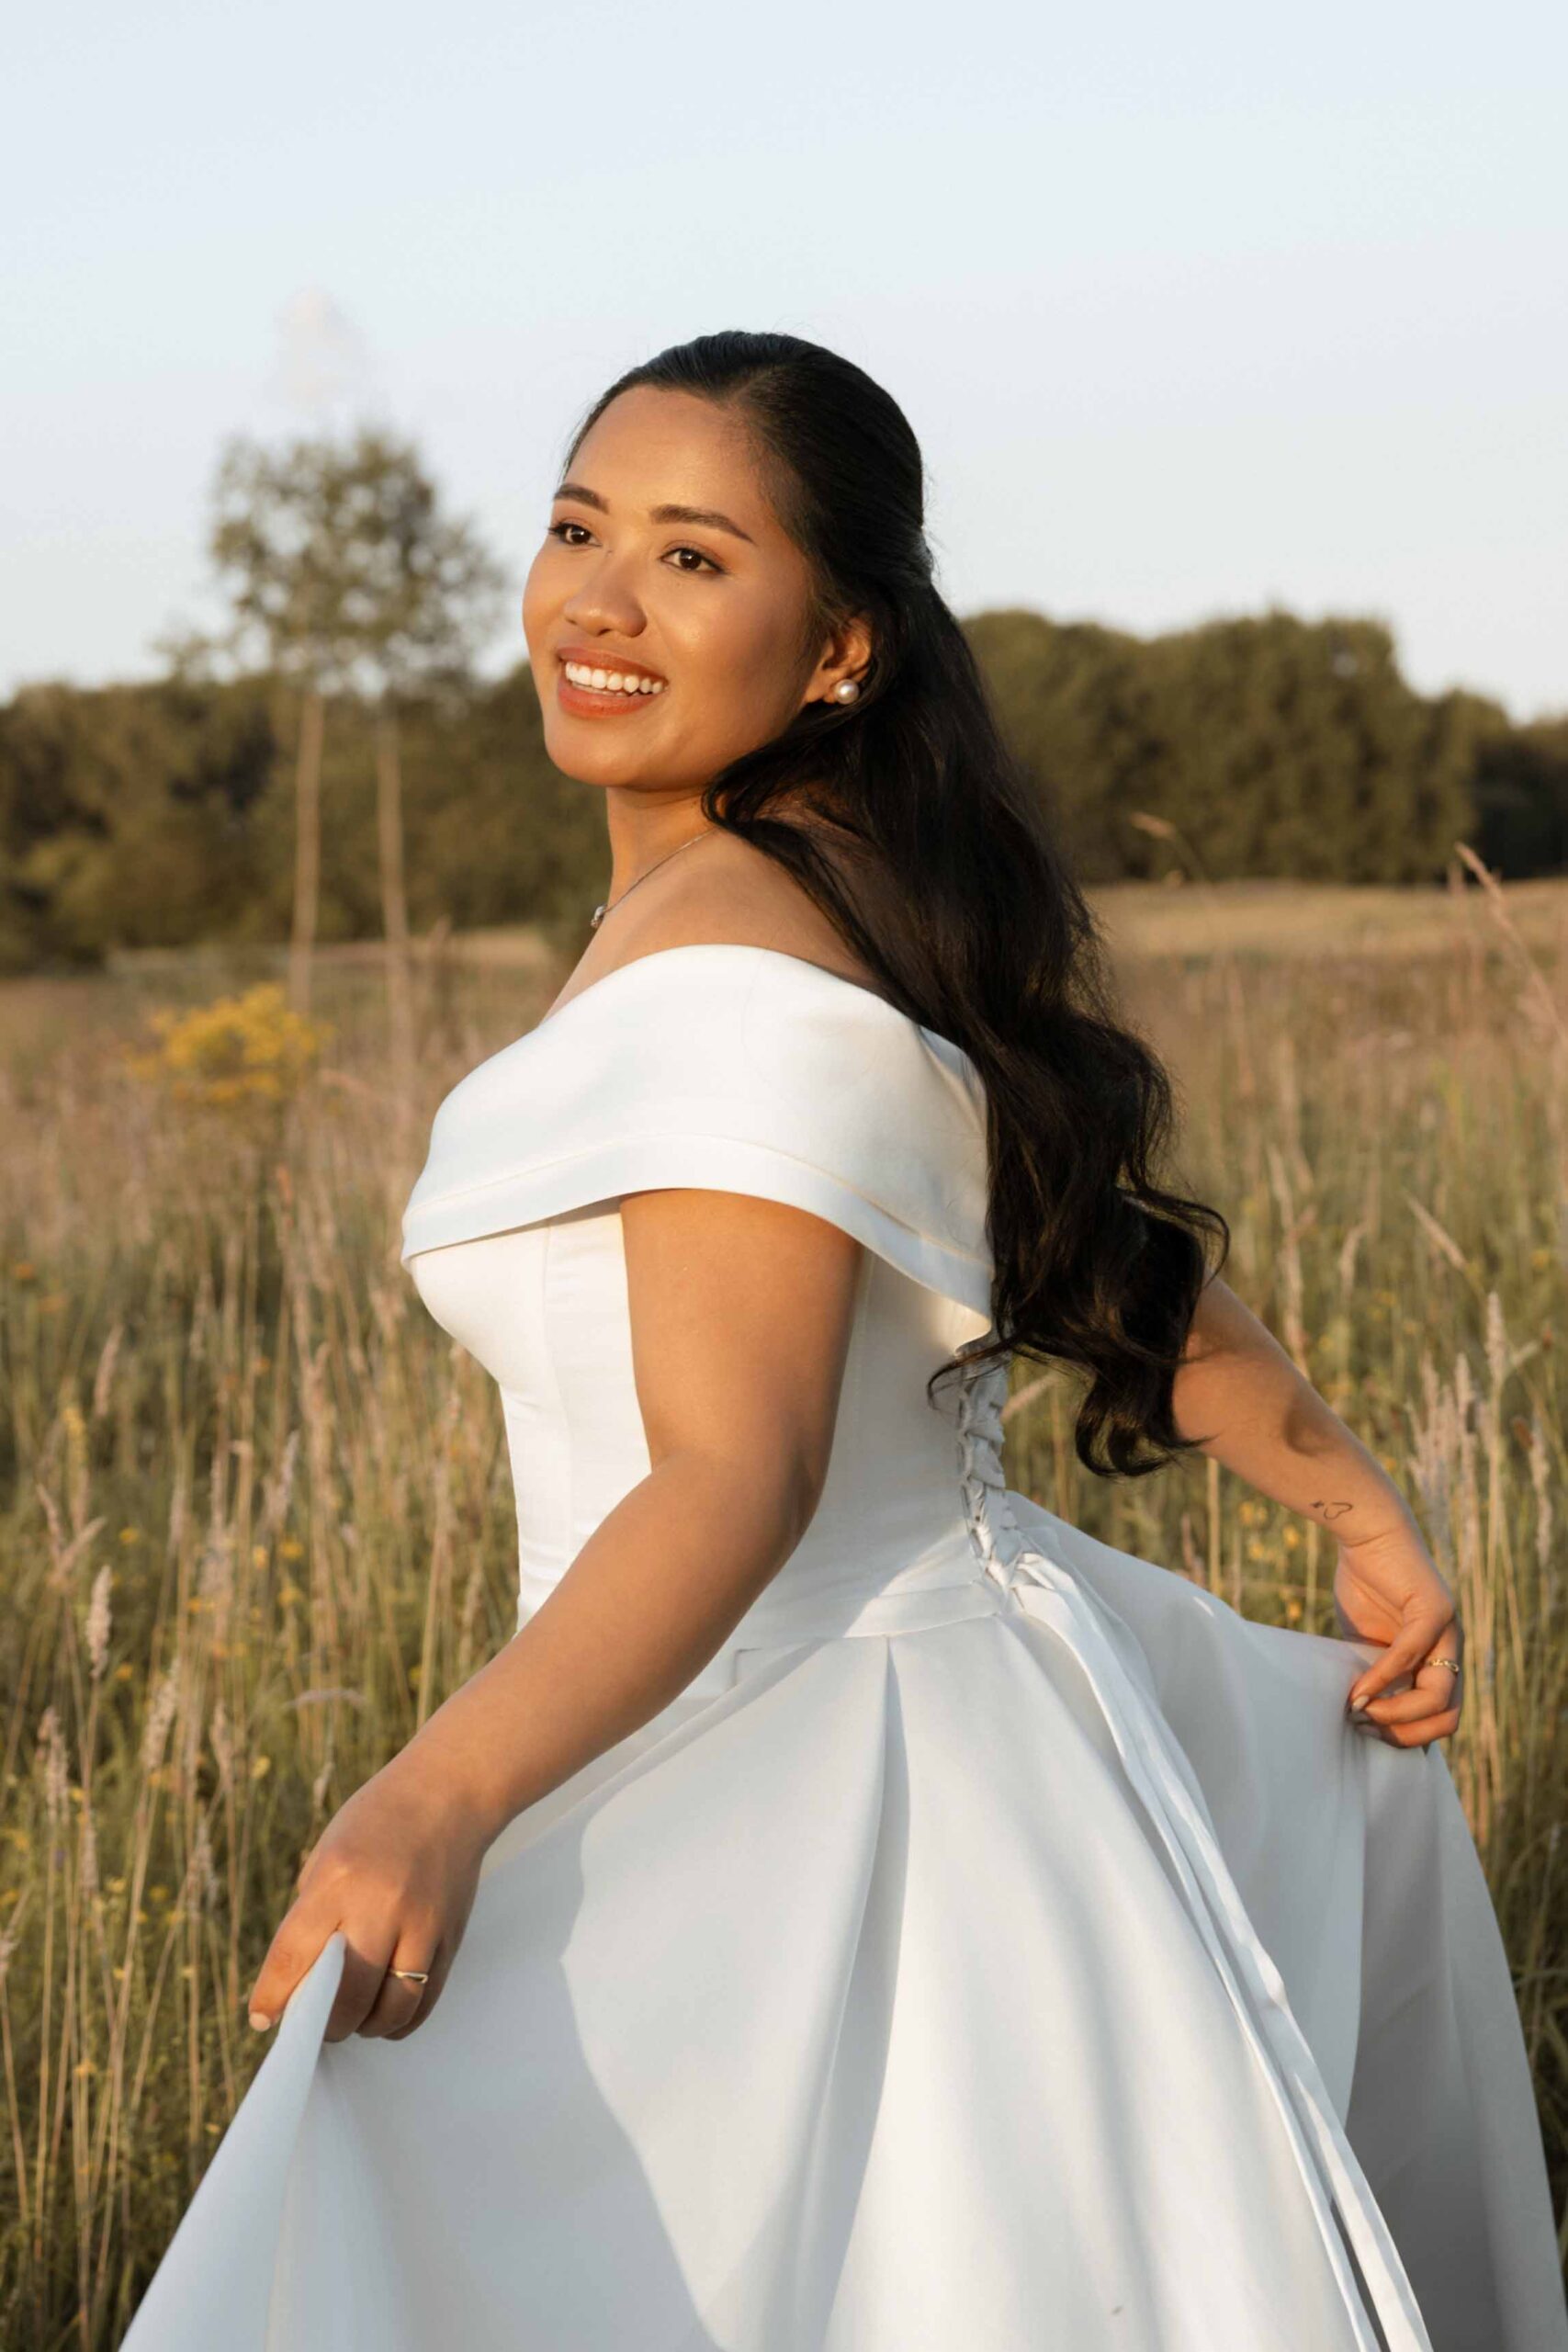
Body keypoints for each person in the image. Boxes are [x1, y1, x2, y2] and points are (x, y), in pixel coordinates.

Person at [121, 331, 1565, 2352]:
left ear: (837, 647)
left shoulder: (732, 965)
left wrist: (430, 1796)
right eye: (574, 526)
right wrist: (1349, 1496)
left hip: (801, 1783)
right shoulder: (824, 901)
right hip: (874, 1723)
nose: (600, 600)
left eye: (694, 556)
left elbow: (737, 1471)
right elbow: (1073, 1222)